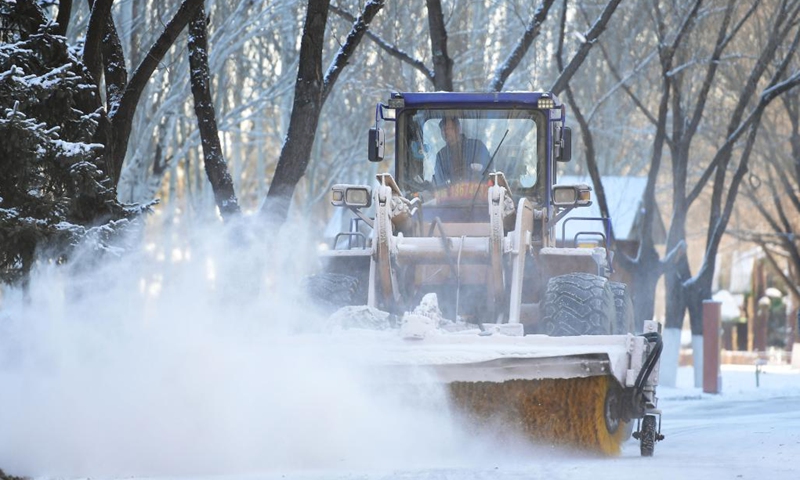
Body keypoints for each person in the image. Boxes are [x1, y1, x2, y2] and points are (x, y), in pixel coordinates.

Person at [432, 117, 490, 186]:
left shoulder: (477, 146)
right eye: (442, 130)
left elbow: (489, 172)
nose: (445, 132)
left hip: (478, 193)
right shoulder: (441, 156)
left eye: (448, 129)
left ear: (457, 129)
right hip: (451, 195)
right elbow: (438, 181)